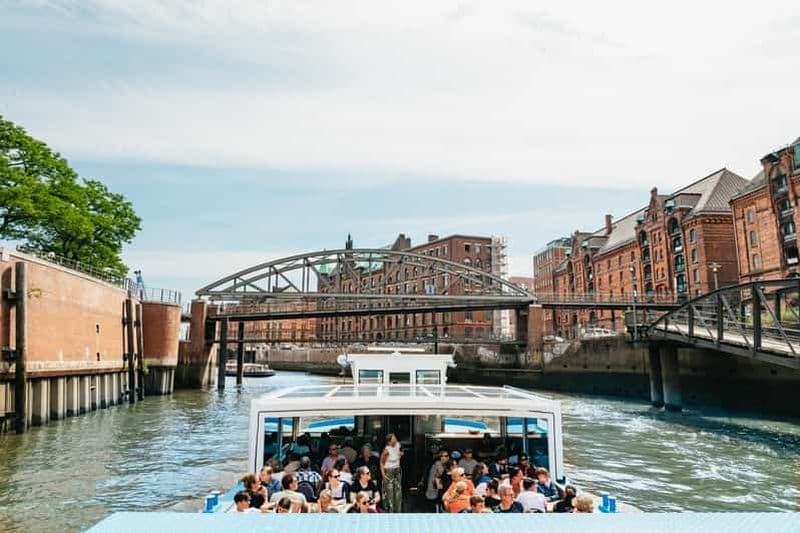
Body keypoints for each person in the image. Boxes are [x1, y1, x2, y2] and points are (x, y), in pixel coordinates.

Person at [380, 433, 403, 513]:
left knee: (398, 492)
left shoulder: (398, 445)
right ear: (389, 442)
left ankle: (398, 511)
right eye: (393, 439)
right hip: (389, 471)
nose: (395, 440)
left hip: (397, 470)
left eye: (395, 438)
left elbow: (401, 451)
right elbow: (381, 463)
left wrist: (401, 454)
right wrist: (383, 474)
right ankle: (390, 512)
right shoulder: (386, 450)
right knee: (390, 493)